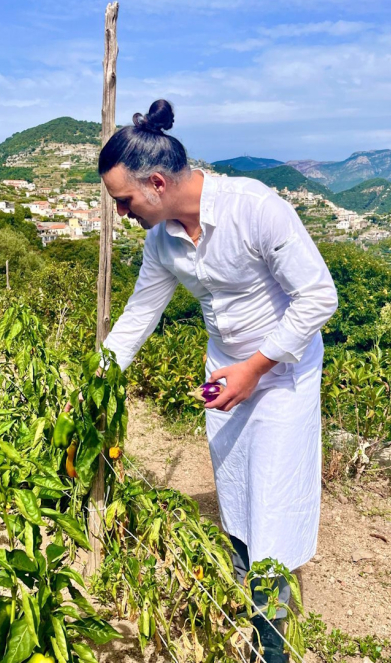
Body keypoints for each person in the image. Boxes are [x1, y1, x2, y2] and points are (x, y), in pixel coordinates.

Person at [98, 99, 338, 663]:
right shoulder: (162, 241)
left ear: (156, 182)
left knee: (274, 498)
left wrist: (256, 368)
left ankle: (271, 641)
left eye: (124, 201)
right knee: (234, 480)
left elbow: (318, 297)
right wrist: (95, 379)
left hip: (281, 370)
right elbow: (137, 316)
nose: (121, 213)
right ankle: (238, 583)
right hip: (223, 370)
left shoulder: (254, 207)